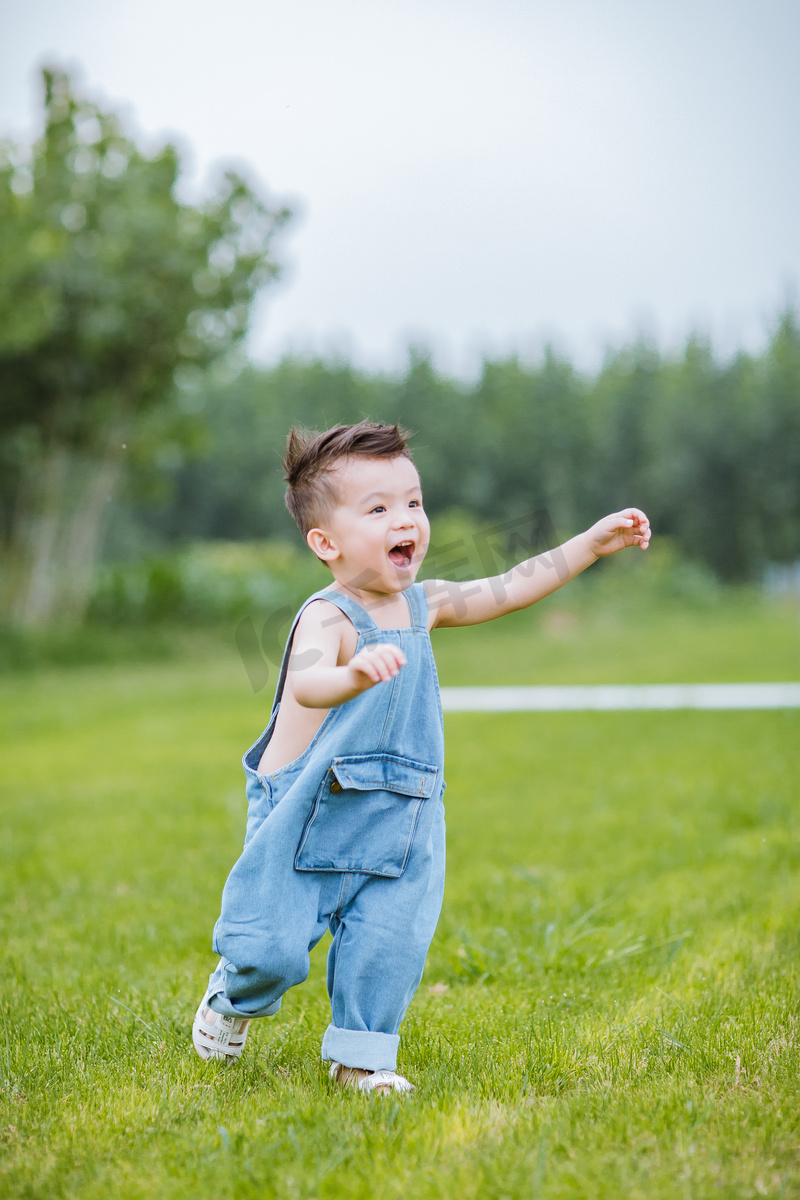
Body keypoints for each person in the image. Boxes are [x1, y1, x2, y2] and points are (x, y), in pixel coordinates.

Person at [192, 421, 651, 1093]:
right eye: (378, 508)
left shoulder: (423, 604)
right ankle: (233, 995)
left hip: (398, 813)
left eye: (413, 501)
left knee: (389, 943)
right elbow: (310, 681)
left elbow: (511, 584)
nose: (405, 518)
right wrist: (356, 673)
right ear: (326, 542)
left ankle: (361, 1058)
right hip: (305, 816)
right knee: (270, 949)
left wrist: (591, 543)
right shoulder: (329, 618)